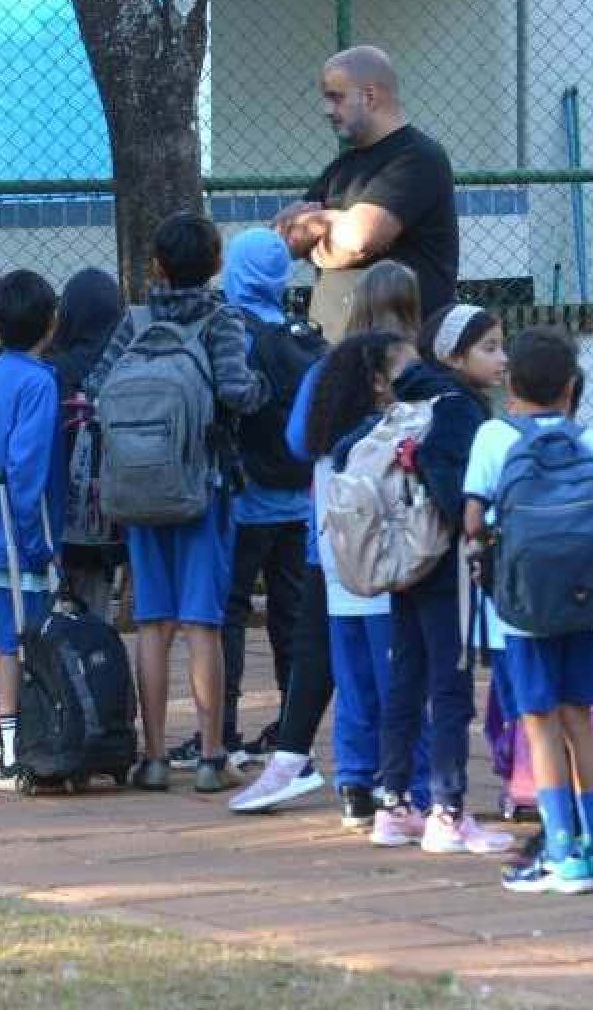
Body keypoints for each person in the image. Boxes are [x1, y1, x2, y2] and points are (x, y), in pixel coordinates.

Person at [85, 214, 267, 794]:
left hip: (140, 492)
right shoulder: (221, 321)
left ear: (156, 267)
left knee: (153, 624)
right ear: (216, 265)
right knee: (203, 623)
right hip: (201, 489)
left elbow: (94, 389)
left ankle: (156, 756)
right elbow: (239, 392)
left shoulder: (134, 321)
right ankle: (212, 756)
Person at [238, 261, 423, 817]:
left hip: (333, 543)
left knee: (345, 665)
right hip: (403, 548)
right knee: (399, 665)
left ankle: (353, 780)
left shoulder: (327, 367)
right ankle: (405, 781)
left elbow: (298, 441)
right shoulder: (417, 373)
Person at [465, 328, 593, 896]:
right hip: (584, 606)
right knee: (581, 716)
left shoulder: (492, 436)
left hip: (521, 610)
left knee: (539, 723)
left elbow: (473, 522)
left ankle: (559, 851)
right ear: (571, 388)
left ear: (511, 384)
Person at [371, 303, 512, 854]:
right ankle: (449, 812)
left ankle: (395, 805)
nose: (503, 359)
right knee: (450, 683)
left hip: (407, 559)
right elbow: (455, 486)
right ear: (454, 355)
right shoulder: (459, 410)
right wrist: (478, 530)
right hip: (444, 561)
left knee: (406, 677)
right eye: (490, 347)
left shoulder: (417, 396)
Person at [299, 331, 432, 828]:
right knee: (402, 688)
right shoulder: (383, 439)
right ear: (379, 384)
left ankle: (356, 785)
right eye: (406, 370)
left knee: (356, 688)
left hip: (341, 581)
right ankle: (412, 787)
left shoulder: (327, 442)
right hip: (384, 582)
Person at [218, 227, 321, 768]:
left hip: (247, 498)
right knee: (293, 615)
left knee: (230, 609)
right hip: (299, 500)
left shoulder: (235, 332)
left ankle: (223, 730)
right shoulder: (306, 336)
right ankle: (290, 734)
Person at [271, 46, 460, 337]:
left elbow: (360, 238)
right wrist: (336, 233)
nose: (327, 110)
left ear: (370, 97)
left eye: (336, 97)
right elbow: (279, 236)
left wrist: (317, 228)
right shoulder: (342, 167)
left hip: (407, 349)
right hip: (344, 348)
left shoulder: (419, 157)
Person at [0, 271, 64, 793]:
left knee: (0, 642)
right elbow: (26, 468)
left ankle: (5, 742)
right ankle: (27, 742)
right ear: (50, 322)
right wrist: (36, 544)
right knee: (31, 643)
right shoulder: (40, 381)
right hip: (20, 534)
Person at [45, 268, 127, 624]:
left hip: (56, 513)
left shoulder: (51, 370)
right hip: (110, 515)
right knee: (96, 613)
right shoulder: (126, 365)